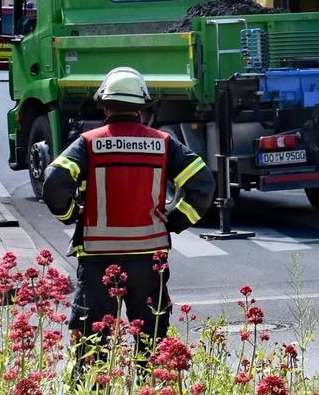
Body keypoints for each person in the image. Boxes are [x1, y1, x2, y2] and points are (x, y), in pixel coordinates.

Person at [43, 66, 216, 379]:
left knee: (92, 345)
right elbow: (203, 187)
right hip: (148, 261)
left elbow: (54, 183)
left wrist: (72, 216)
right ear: (142, 106)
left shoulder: (89, 143)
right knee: (152, 345)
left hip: (98, 261)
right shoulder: (164, 143)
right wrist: (174, 221)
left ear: (105, 105)